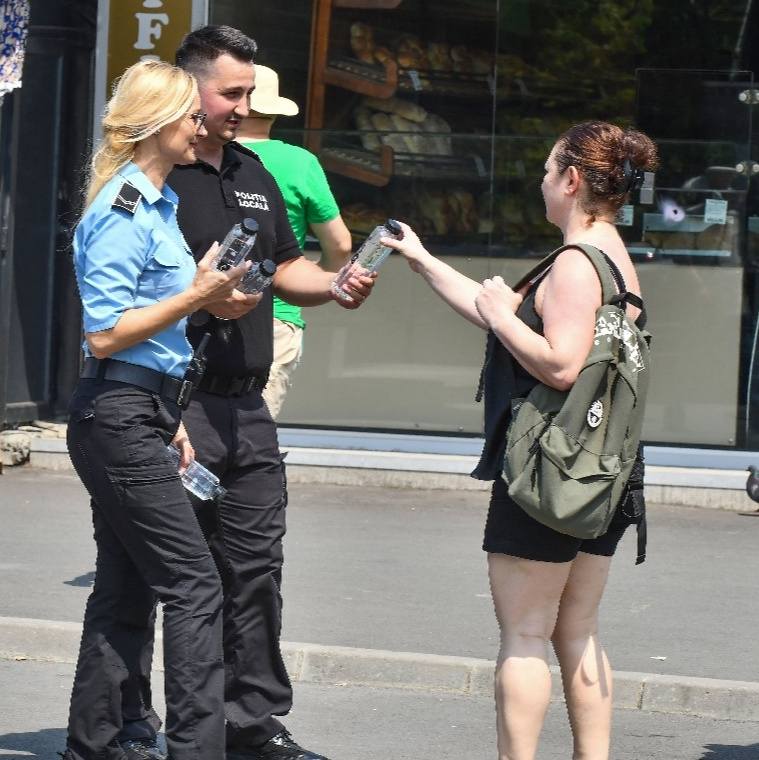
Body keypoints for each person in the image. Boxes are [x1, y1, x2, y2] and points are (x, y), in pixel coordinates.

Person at [119, 26, 374, 760]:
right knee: (159, 576)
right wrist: (199, 302)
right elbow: (122, 300)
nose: (243, 106)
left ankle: (251, 725)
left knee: (255, 570)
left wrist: (334, 284)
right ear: (189, 87)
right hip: (176, 401)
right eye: (230, 92)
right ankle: (134, 725)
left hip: (247, 405)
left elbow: (286, 266)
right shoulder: (153, 177)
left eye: (248, 92)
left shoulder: (253, 169)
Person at [384, 121, 658, 760]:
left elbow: (560, 363)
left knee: (527, 634)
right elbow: (502, 314)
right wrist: (424, 261)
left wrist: (502, 315)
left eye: (547, 170)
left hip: (549, 469)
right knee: (579, 630)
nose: (541, 182)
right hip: (603, 463)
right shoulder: (612, 255)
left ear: (571, 179)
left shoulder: (574, 265)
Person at [61, 60, 249, 760]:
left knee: (126, 583)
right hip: (117, 411)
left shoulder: (159, 204)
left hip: (141, 408)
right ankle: (197, 748)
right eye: (192, 116)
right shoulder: (124, 207)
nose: (202, 127)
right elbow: (106, 333)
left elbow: (150, 330)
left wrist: (170, 418)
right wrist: (197, 296)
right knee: (194, 584)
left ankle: (96, 741)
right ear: (157, 123)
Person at [235, 64, 353, 419]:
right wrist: (315, 277)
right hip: (276, 313)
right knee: (254, 429)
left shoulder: (200, 154)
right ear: (274, 112)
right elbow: (340, 244)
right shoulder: (299, 162)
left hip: (204, 307)